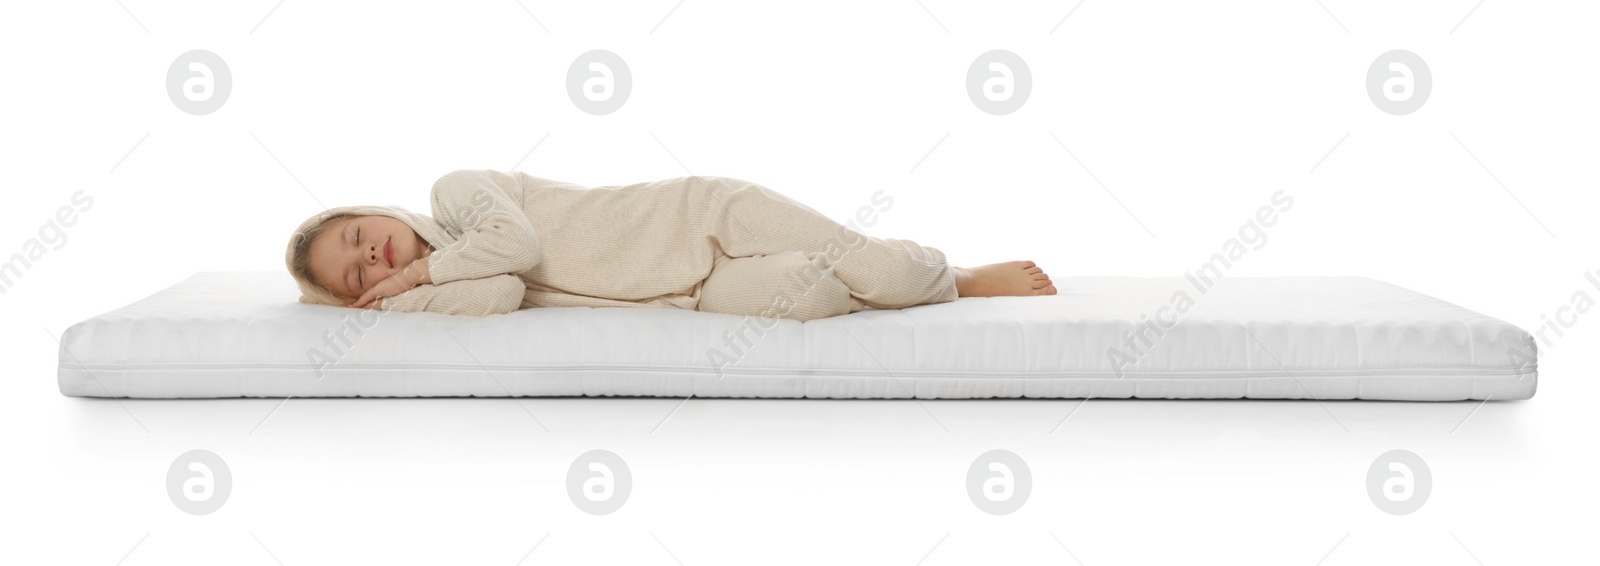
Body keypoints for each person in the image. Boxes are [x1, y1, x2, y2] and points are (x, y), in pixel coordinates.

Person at [284, 169, 1056, 321]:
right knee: (814, 295)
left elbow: (513, 246)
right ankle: (858, 264)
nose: (373, 258)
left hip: (702, 217)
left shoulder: (454, 195)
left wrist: (421, 268)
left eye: (361, 238)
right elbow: (504, 291)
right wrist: (408, 298)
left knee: (882, 273)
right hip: (689, 291)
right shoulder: (439, 281)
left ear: (377, 211)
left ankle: (949, 272)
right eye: (356, 275)